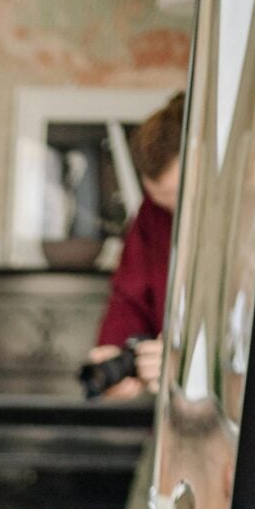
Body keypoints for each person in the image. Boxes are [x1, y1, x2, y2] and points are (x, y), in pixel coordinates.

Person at [85, 91, 184, 400]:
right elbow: (130, 296)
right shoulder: (150, 216)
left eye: (180, 201)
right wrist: (112, 351)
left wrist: (183, 362)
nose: (171, 215)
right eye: (160, 202)